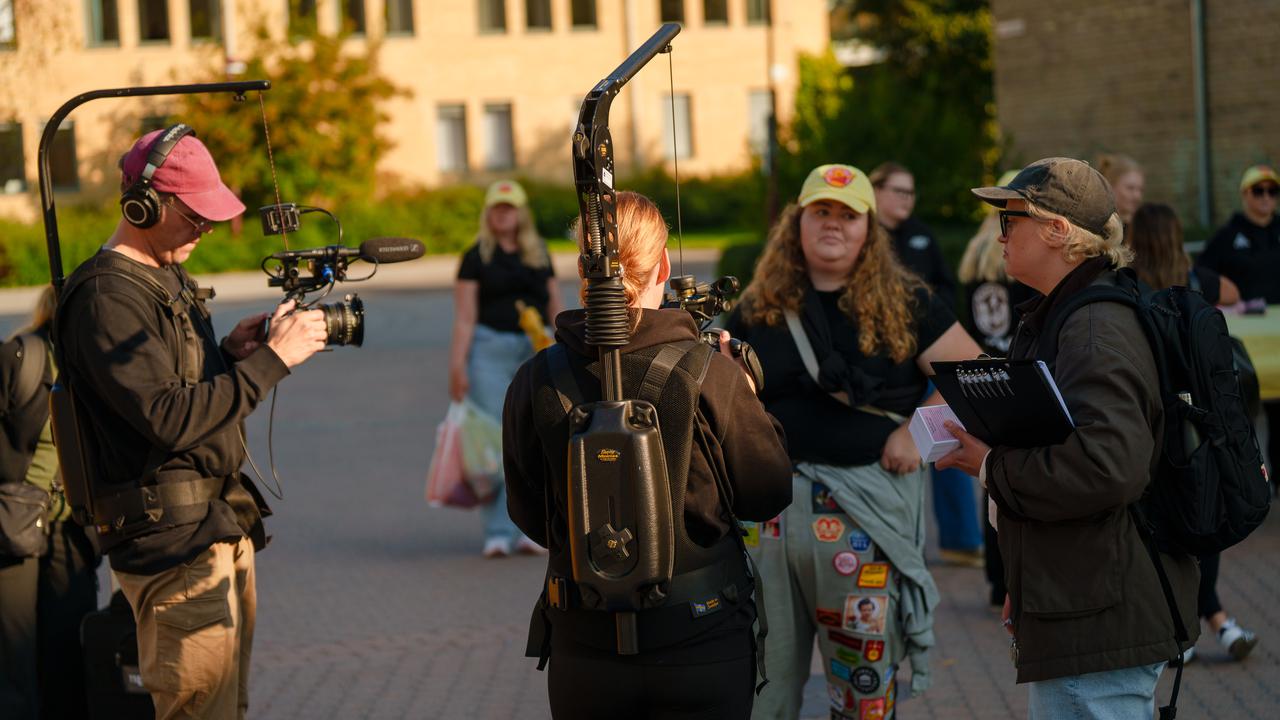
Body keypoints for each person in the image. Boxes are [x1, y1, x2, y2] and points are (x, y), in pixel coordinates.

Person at [54, 126, 328, 720]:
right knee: (200, 712)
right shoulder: (107, 297)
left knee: (226, 709)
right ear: (143, 205)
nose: (205, 229)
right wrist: (273, 362)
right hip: (172, 545)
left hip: (214, 526)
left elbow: (172, 387)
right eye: (196, 215)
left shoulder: (164, 274)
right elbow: (168, 419)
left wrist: (230, 355)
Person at [503, 191, 792, 719]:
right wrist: (746, 395)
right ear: (662, 264)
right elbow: (768, 493)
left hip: (583, 646)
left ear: (583, 271)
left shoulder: (536, 378)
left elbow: (528, 512)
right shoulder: (714, 373)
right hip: (702, 639)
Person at [938, 157, 1199, 718]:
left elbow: (1108, 467)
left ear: (1059, 230)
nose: (1000, 234)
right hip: (1080, 600)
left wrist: (990, 466)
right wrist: (1028, 582)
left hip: (1100, 614)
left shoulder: (1093, 327)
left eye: (1011, 219)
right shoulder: (1068, 315)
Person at [725, 163, 983, 719]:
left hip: (864, 516)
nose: (833, 225)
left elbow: (974, 377)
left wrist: (918, 434)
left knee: (863, 685)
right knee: (761, 681)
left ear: (870, 228)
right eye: (821, 211)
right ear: (797, 222)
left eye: (848, 214)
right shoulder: (757, 306)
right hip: (768, 516)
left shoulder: (909, 302)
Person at [1127, 202, 1254, 663]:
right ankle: (1214, 618)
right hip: (1197, 419)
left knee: (1160, 521)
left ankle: (1188, 625)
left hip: (1151, 418)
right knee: (1204, 515)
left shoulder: (1130, 287)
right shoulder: (1196, 279)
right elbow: (1236, 293)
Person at [870, 161, 981, 569]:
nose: (906, 199)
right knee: (895, 449)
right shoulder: (863, 235)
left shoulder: (921, 236)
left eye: (910, 192)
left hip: (929, 361)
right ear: (875, 191)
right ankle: (898, 542)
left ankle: (961, 540)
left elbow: (946, 287)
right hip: (888, 370)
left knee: (948, 441)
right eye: (897, 191)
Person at [0, 286, 100, 719]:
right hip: (13, 523)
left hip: (72, 528)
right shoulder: (23, 356)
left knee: (67, 652)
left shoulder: (99, 363)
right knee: (14, 657)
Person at [451, 180, 561, 558]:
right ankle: (498, 531)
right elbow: (464, 317)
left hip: (535, 347)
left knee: (536, 436)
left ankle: (534, 530)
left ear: (521, 212)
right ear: (488, 213)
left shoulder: (539, 252)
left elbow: (554, 305)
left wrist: (567, 347)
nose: (503, 213)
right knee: (495, 441)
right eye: (497, 207)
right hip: (489, 349)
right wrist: (457, 366)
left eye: (509, 207)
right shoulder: (475, 257)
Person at [955, 170, 1037, 605]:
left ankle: (995, 578)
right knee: (1009, 474)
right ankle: (1009, 574)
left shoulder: (973, 255)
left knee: (989, 478)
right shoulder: (1015, 257)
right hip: (1015, 368)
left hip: (982, 368)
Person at [1128, 203, 1240, 306]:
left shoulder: (1124, 283)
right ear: (1176, 237)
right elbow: (1233, 294)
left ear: (1134, 238)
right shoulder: (1196, 281)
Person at [1096, 153, 1145, 226]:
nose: (1137, 196)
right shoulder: (1095, 225)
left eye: (1141, 190)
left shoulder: (1143, 227)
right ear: (1110, 186)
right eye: (1130, 188)